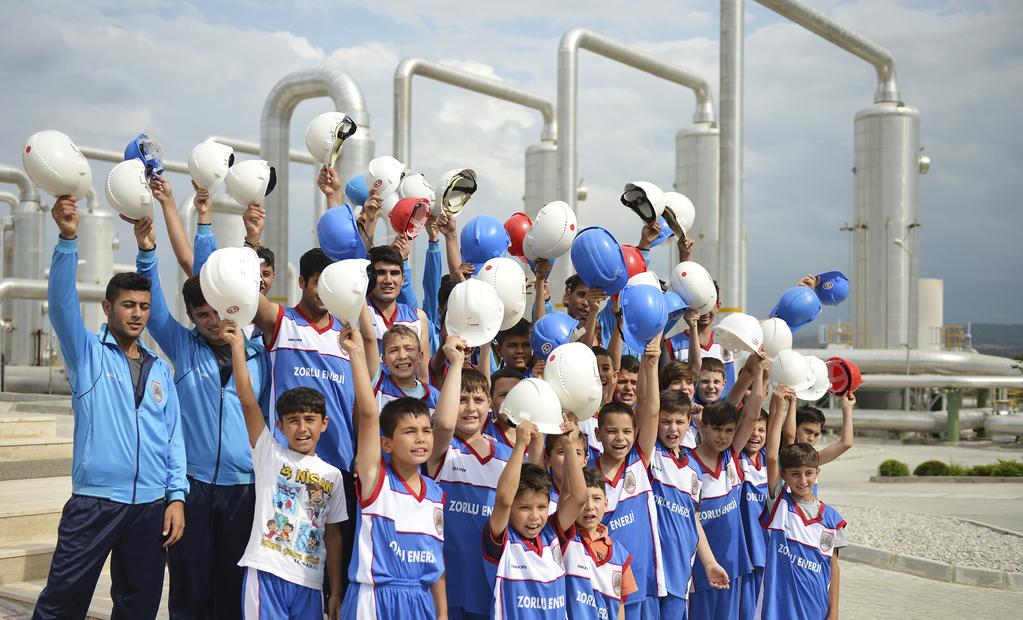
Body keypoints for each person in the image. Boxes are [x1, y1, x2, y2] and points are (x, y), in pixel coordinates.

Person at [34, 196, 187, 620]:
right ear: (107, 308)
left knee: (138, 607)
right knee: (62, 603)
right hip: (95, 504)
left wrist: (175, 497)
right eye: (128, 306)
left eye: (144, 307)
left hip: (151, 506)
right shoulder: (87, 355)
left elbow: (173, 440)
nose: (137, 314)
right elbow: (63, 305)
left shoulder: (159, 371)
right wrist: (68, 239)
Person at [133, 216, 271, 620]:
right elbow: (156, 309)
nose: (212, 322)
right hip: (193, 486)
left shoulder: (263, 353)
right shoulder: (184, 345)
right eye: (201, 315)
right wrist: (146, 252)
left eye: (216, 311)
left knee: (234, 586)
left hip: (244, 487)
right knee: (189, 583)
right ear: (191, 317)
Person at [224, 321, 346, 620]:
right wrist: (238, 348)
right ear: (280, 426)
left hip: (310, 583)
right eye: (292, 420)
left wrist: (337, 591)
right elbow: (247, 399)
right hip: (266, 572)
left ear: (324, 423)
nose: (302, 428)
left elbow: (333, 536)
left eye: (309, 419)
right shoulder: (269, 453)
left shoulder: (333, 476)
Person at [340, 324, 447, 617]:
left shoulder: (436, 493)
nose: (421, 438)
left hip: (421, 602)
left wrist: (443, 614)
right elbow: (368, 412)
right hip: (374, 600)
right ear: (385, 443)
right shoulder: (375, 479)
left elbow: (437, 567)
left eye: (426, 431)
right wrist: (357, 355)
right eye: (410, 432)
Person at [425, 340, 514, 619]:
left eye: (477, 400)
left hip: (489, 584)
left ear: (490, 403)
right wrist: (458, 363)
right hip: (446, 584)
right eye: (461, 399)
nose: (470, 408)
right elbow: (444, 423)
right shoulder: (442, 449)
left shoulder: (506, 456)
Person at [688, 354, 769, 620]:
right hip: (701, 570)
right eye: (718, 430)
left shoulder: (731, 456)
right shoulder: (687, 466)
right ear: (703, 427)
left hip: (736, 563)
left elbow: (753, 409)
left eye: (729, 431)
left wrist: (758, 371)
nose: (723, 437)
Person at [759, 389, 848, 620]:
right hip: (778, 608)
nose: (803, 480)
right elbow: (772, 456)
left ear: (817, 472)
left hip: (816, 608)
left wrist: (834, 611)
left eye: (809, 473)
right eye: (795, 474)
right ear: (785, 476)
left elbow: (834, 568)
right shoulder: (779, 504)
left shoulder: (831, 518)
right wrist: (780, 406)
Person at [483, 420, 585, 619]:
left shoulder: (552, 533)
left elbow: (579, 498)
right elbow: (504, 499)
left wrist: (570, 447)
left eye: (541, 507)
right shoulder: (503, 541)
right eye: (524, 508)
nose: (535, 516)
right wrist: (520, 446)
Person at [591, 338, 664, 617]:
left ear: (635, 433)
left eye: (626, 431)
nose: (620, 438)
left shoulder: (639, 460)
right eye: (611, 432)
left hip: (643, 580)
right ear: (598, 435)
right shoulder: (588, 472)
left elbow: (650, 407)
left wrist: (651, 362)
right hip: (605, 583)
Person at [649, 390, 729, 617]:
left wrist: (710, 562)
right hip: (652, 573)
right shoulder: (650, 454)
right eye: (666, 422)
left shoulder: (693, 469)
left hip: (680, 570)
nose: (673, 428)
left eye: (679, 422)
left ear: (689, 424)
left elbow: (692, 517)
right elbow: (647, 405)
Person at [562, 466, 638, 619]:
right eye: (583, 499)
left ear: (605, 503)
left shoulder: (621, 556)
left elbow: (619, 606)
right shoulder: (564, 539)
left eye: (596, 498)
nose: (589, 506)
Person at [367, 244, 431, 380]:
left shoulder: (418, 318)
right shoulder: (358, 313)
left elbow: (423, 375)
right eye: (381, 273)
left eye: (394, 273)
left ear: (402, 279)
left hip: (407, 400)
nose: (388, 280)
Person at [663, 282, 736, 396]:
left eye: (709, 304)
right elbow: (664, 388)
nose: (705, 311)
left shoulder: (726, 343)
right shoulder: (671, 344)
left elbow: (730, 389)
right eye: (699, 305)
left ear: (718, 306)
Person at [369, 324, 440, 415]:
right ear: (384, 360)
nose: (402, 356)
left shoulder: (434, 397)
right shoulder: (378, 383)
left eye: (409, 349)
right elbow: (369, 339)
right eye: (394, 350)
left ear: (420, 356)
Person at [482, 367, 525, 450]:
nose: (511, 401)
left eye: (517, 394)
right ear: (490, 401)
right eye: (504, 395)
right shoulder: (482, 433)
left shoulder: (539, 432)